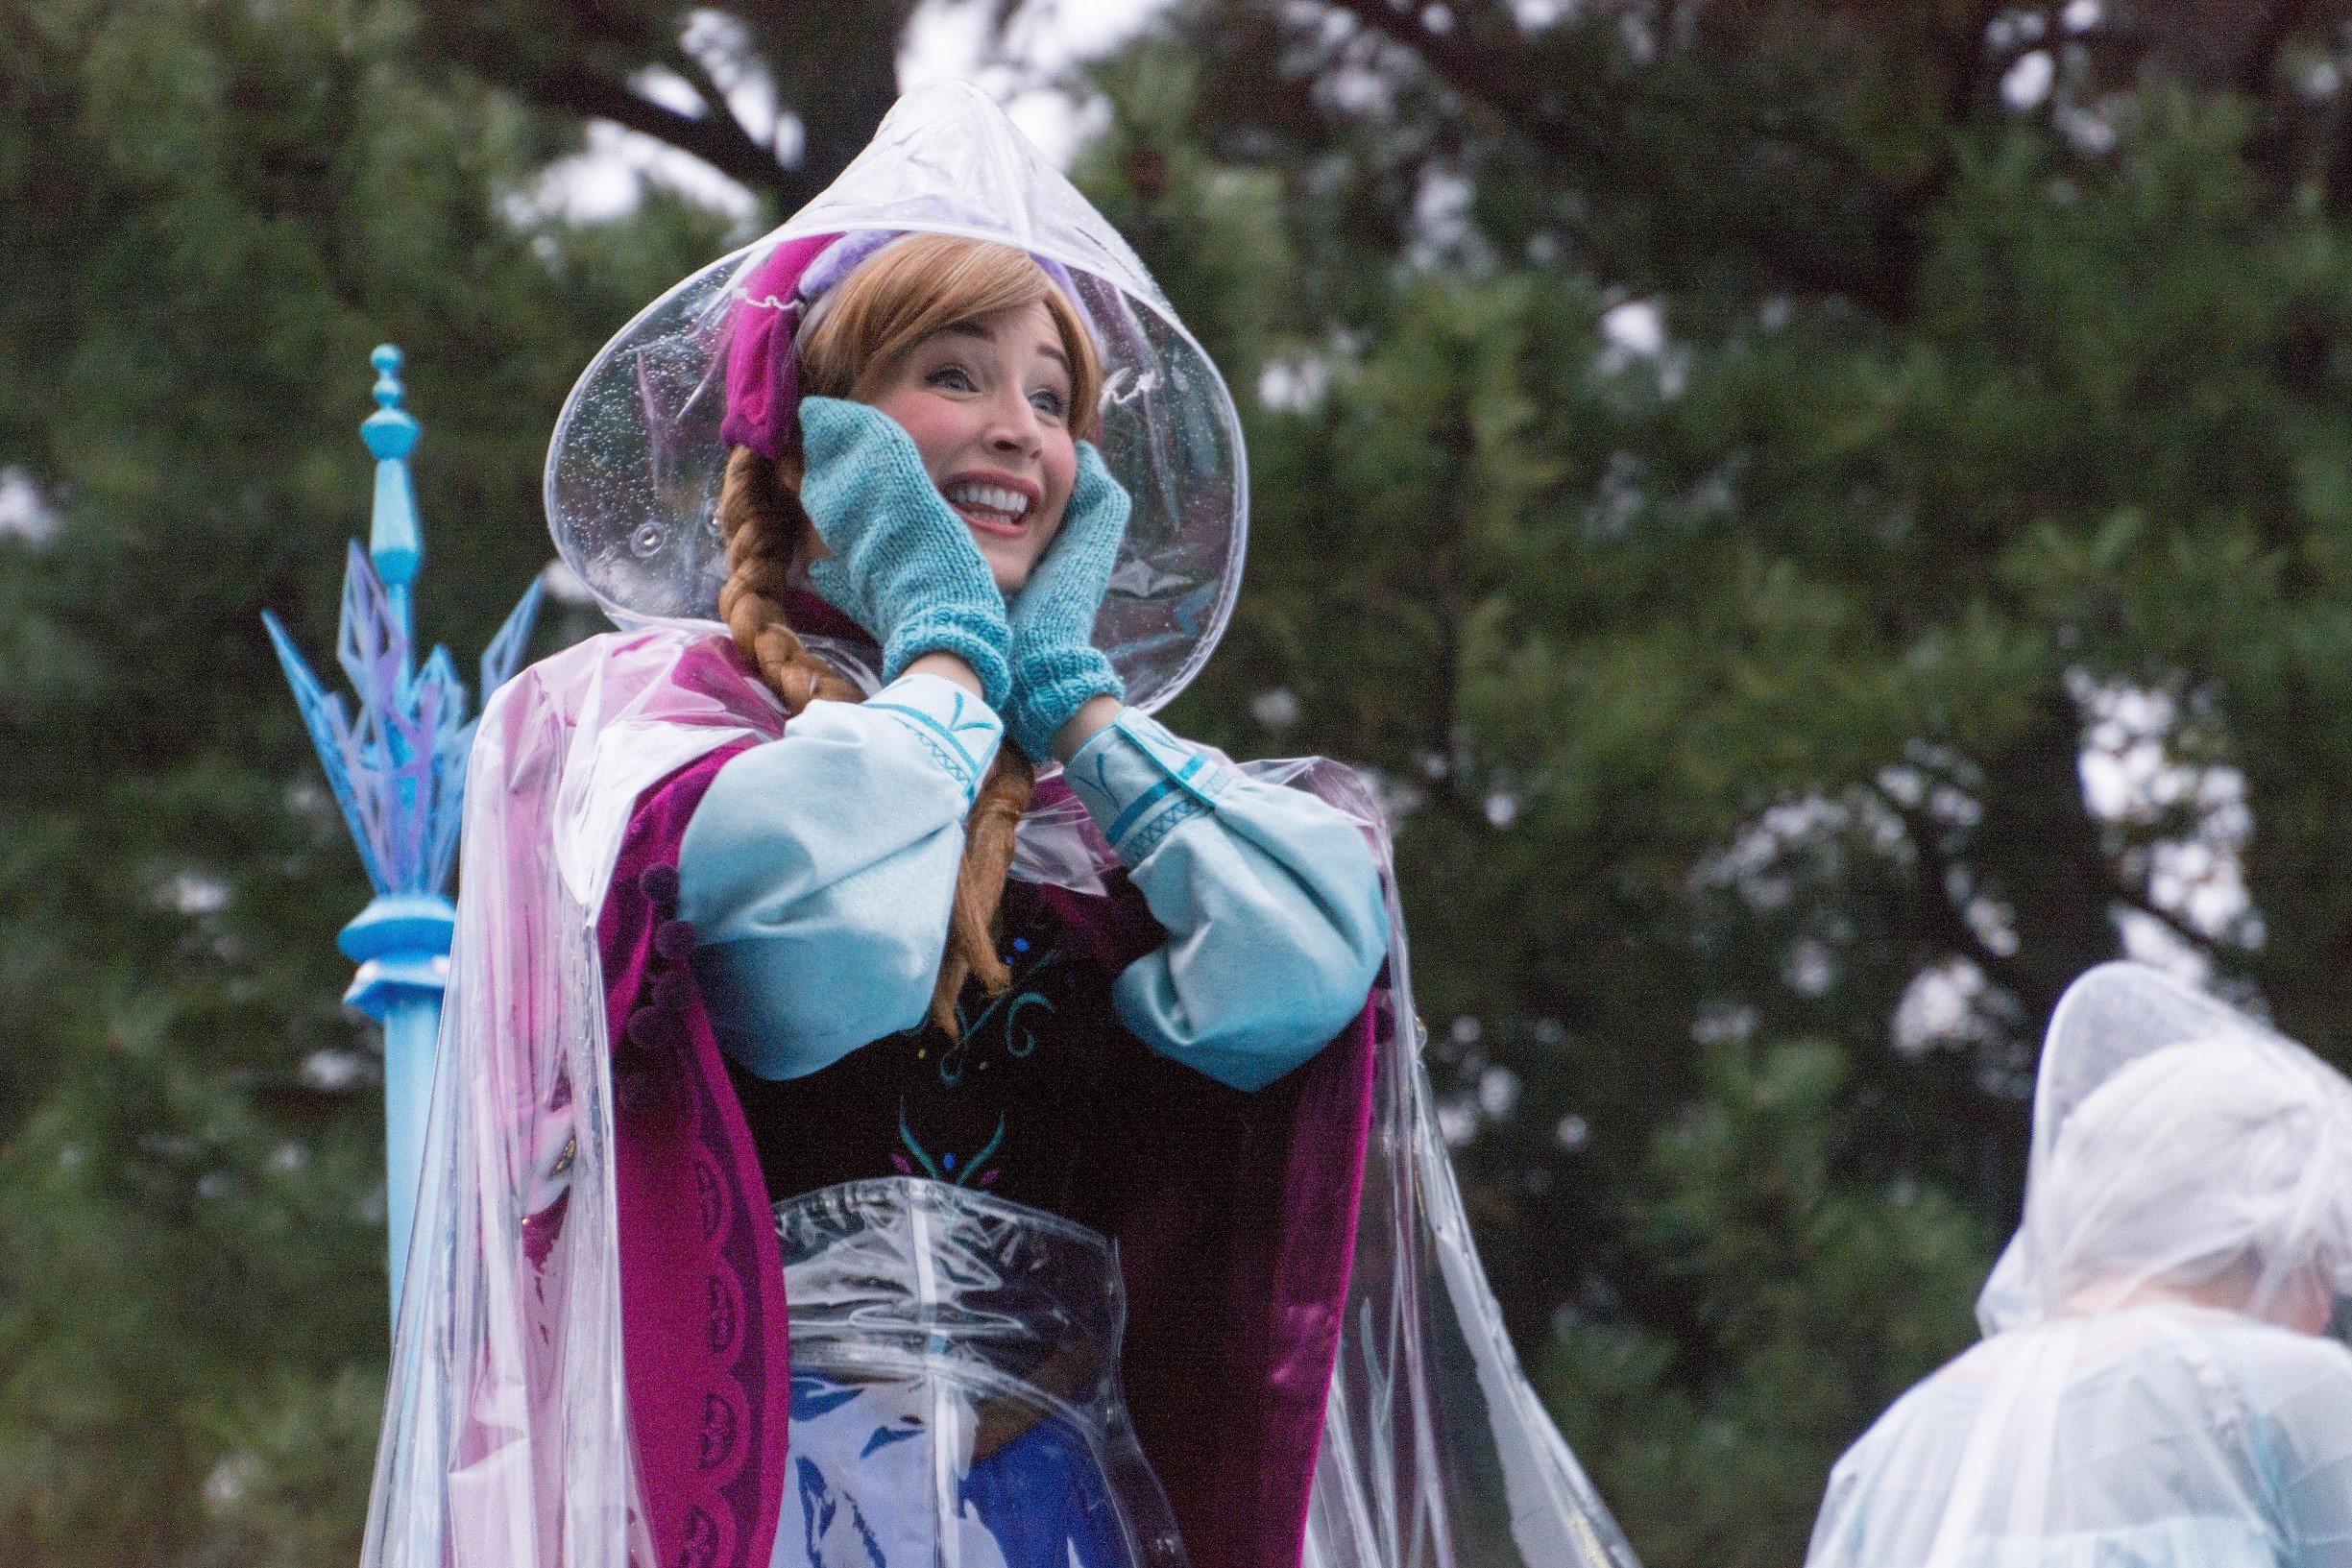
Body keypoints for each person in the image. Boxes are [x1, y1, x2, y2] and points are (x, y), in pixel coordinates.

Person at [359, 82, 1637, 1568]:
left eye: (1051, 398)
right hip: (761, 1486)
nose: (1016, 434)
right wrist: (948, 655)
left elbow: (1308, 971)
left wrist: (1078, 708)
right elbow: (808, 961)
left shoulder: (1112, 803)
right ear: (822, 436)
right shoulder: (653, 714)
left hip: (1053, 1511)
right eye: (954, 375)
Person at [1806, 960, 2352, 1568]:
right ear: (2264, 1243)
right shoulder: (2290, 1392)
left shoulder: (1895, 1444)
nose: (2327, 1303)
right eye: (2322, 1258)